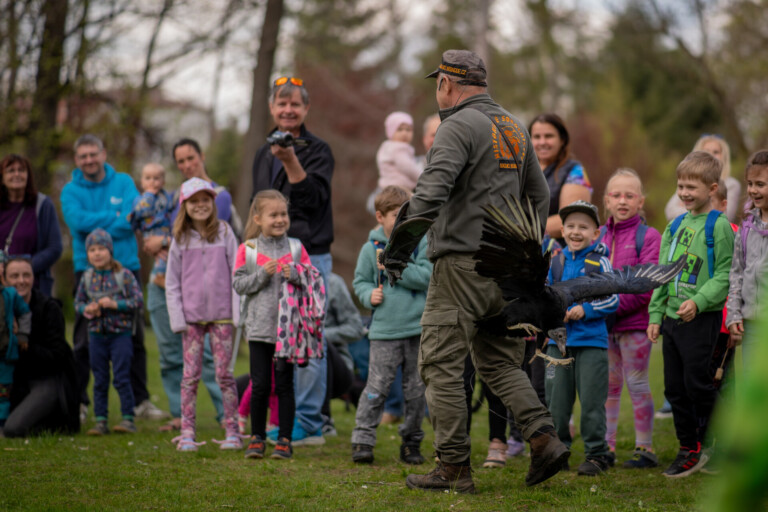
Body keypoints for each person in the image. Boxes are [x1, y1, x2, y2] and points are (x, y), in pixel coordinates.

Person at [383, 50, 569, 494]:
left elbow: (429, 194)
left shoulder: (455, 126)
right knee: (498, 361)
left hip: (461, 265)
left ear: (447, 83)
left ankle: (453, 467)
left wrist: (398, 250)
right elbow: (540, 195)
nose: (437, 91)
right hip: (507, 268)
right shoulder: (514, 127)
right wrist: (524, 251)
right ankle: (543, 438)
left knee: (441, 362)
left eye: (438, 84)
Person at [251, 76, 334, 445]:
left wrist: (290, 161)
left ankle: (310, 422)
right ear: (272, 108)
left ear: (306, 110)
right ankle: (291, 418)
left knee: (309, 339)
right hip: (270, 258)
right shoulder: (261, 152)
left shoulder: (318, 150)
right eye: (281, 104)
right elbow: (258, 206)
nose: (288, 110)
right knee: (278, 341)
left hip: (309, 256)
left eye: (295, 104)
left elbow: (313, 200)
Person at [60, 134, 165, 422]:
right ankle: (81, 403)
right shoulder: (70, 191)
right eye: (83, 156)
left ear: (103, 154)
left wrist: (98, 219)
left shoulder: (124, 183)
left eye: (93, 154)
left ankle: (140, 401)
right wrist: (113, 215)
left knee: (135, 338)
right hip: (87, 270)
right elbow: (76, 223)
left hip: (126, 268)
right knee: (84, 338)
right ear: (77, 160)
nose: (89, 160)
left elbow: (131, 220)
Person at [648, 151, 735, 478]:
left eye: (691, 187)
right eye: (680, 185)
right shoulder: (675, 225)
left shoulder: (720, 226)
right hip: (671, 320)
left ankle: (725, 441)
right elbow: (662, 272)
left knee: (698, 384)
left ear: (713, 189)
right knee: (674, 388)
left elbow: (725, 274)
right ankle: (690, 448)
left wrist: (698, 301)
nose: (684, 193)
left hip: (701, 320)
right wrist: (656, 314)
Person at [144, 139, 230, 432]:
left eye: (190, 158)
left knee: (208, 358)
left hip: (202, 292)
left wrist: (163, 241)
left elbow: (209, 233)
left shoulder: (219, 195)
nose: (186, 165)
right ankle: (179, 415)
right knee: (169, 353)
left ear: (201, 156)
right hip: (163, 281)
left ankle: (225, 414)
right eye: (180, 161)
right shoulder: (170, 198)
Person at [234, 190, 323, 460]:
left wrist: (295, 273)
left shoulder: (296, 248)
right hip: (259, 329)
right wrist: (262, 274)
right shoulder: (248, 249)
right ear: (258, 218)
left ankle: (284, 439)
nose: (280, 219)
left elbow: (312, 280)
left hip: (289, 333)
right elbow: (238, 284)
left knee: (285, 386)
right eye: (273, 215)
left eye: (283, 214)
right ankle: (257, 438)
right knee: (260, 385)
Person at [351, 186, 431, 465]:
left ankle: (411, 442)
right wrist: (367, 295)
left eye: (406, 215)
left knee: (416, 391)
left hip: (418, 330)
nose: (401, 221)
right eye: (396, 215)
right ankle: (362, 440)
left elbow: (427, 277)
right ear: (380, 216)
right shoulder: (369, 248)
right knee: (376, 387)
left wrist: (395, 266)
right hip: (384, 331)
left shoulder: (420, 244)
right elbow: (360, 281)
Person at [165, 178, 241, 451]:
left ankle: (233, 430)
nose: (200, 206)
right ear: (185, 206)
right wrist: (178, 318)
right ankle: (187, 432)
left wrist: (236, 313)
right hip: (192, 319)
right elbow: (172, 282)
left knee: (224, 374)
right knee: (190, 376)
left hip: (222, 316)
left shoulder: (224, 232)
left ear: (213, 202)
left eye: (205, 200)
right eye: (194, 201)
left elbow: (237, 272)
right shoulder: (181, 239)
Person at [545, 201, 618, 476]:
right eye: (571, 226)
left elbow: (613, 298)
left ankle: (597, 455)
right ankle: (559, 452)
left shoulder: (599, 262)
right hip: (557, 345)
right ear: (562, 230)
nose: (576, 232)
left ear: (595, 233)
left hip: (592, 344)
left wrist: (585, 310)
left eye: (583, 227)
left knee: (591, 403)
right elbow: (543, 297)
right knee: (557, 404)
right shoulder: (554, 261)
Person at [599, 169, 662, 469]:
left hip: (634, 325)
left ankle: (645, 448)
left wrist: (609, 306)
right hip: (603, 326)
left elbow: (645, 286)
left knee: (636, 383)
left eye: (630, 195)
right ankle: (606, 446)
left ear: (641, 201)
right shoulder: (598, 235)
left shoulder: (648, 237)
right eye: (616, 195)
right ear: (606, 201)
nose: (622, 201)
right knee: (609, 386)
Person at [75, 229, 143, 435]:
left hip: (120, 336)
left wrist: (116, 304)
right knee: (100, 378)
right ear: (87, 253)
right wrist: (87, 309)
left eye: (101, 248)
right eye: (92, 249)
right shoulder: (87, 278)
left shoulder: (124, 275)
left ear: (110, 250)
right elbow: (77, 303)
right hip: (95, 336)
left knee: (122, 377)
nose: (97, 253)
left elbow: (138, 301)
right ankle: (101, 420)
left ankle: (128, 418)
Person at [2, 257, 79, 437]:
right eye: (14, 276)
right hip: (13, 379)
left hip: (46, 379)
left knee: (13, 429)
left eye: (26, 275)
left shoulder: (49, 308)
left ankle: (49, 421)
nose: (21, 281)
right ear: (4, 279)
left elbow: (57, 357)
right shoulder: (3, 309)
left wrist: (21, 342)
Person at [0, 154, 62, 296]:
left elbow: (54, 247)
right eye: (11, 170)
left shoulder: (42, 205)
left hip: (34, 287)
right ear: (2, 177)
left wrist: (23, 270)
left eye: (21, 170)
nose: (17, 174)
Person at [727, 150, 768, 362]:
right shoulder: (746, 228)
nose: (753, 190)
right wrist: (734, 314)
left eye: (760, 184)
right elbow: (737, 273)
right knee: (756, 393)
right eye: (750, 184)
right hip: (751, 326)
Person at [528, 113, 592, 240]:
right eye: (536, 137)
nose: (542, 142)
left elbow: (569, 219)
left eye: (549, 136)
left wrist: (521, 231)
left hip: (559, 255)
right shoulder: (523, 170)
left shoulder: (575, 172)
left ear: (562, 140)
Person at [666, 135, 742, 223]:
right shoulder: (688, 181)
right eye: (706, 151)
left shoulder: (731, 184)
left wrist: (686, 208)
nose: (710, 155)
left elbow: (726, 216)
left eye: (716, 152)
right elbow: (670, 212)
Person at [0, 252, 32, 429]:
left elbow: (25, 313)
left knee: (3, 391)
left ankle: (2, 423)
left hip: (5, 352)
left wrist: (22, 335)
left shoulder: (10, 294)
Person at [128, 163, 173, 288]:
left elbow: (169, 210)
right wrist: (149, 196)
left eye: (156, 178)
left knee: (166, 254)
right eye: (148, 178)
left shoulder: (165, 197)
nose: (152, 182)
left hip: (164, 230)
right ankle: (159, 276)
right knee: (161, 254)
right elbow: (143, 212)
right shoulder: (141, 199)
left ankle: (162, 274)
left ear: (163, 181)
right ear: (142, 182)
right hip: (151, 231)